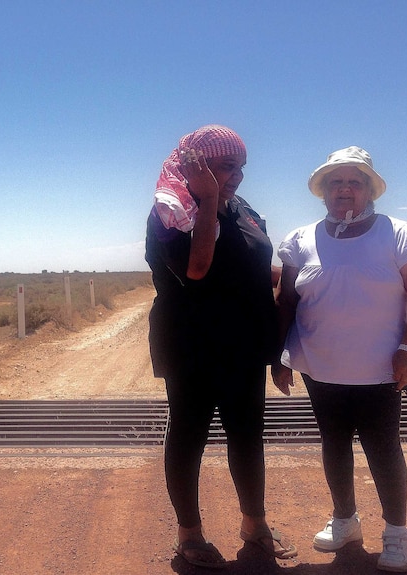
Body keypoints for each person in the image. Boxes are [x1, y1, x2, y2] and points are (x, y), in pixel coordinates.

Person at [272, 146, 407, 572]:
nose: (344, 189)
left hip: (382, 369)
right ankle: (345, 520)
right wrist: (280, 356)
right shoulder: (300, 240)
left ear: (369, 190)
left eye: (354, 181)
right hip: (321, 367)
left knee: (384, 449)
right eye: (335, 182)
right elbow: (288, 300)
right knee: (333, 444)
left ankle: (398, 533)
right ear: (324, 191)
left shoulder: (398, 234)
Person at [146, 125, 296, 568]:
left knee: (248, 437)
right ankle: (189, 535)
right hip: (191, 346)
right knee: (189, 435)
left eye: (240, 167)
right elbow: (197, 268)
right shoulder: (172, 211)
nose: (235, 176)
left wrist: (310, 283)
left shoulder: (243, 209)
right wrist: (208, 197)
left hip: (245, 344)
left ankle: (255, 525)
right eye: (225, 165)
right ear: (195, 165)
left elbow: (254, 266)